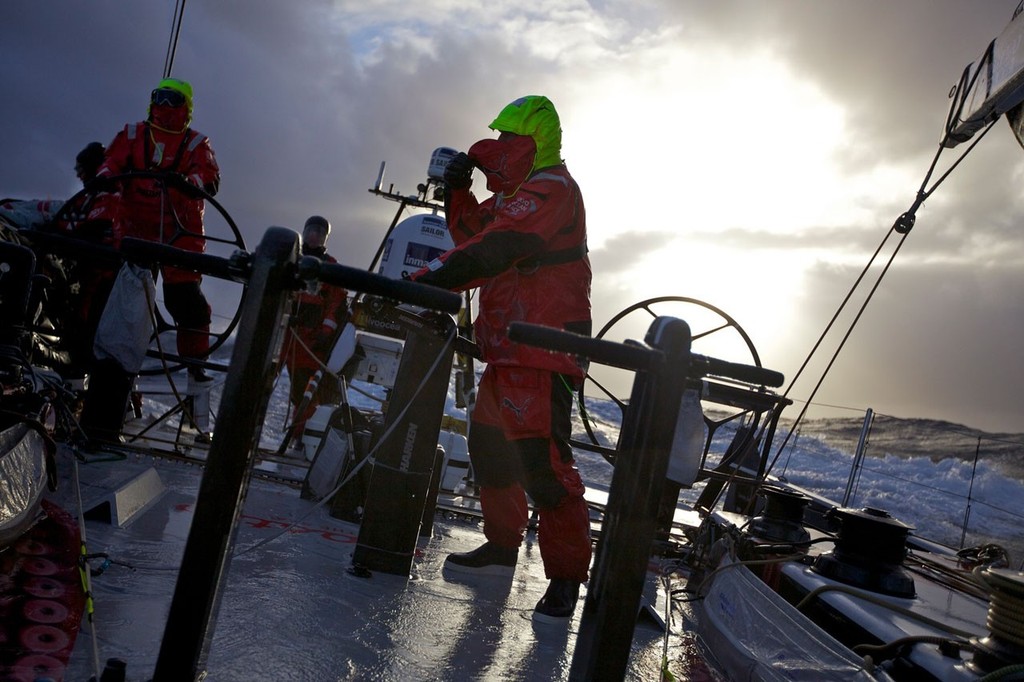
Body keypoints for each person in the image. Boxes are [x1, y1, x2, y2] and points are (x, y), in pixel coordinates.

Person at [410, 95, 592, 623]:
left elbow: (496, 249)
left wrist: (423, 281)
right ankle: (501, 548)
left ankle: (564, 579)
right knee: (489, 448)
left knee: (546, 469)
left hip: (543, 351)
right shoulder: (516, 194)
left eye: (511, 141)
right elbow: (474, 235)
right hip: (509, 349)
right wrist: (458, 190)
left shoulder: (552, 188)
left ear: (536, 143)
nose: (502, 150)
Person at [79, 78, 220, 444]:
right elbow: (111, 163)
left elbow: (207, 175)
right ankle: (106, 391)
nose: (164, 102)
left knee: (187, 306)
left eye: (172, 98)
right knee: (120, 310)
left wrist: (191, 181)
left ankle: (196, 395)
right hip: (136, 239)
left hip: (178, 240)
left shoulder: (195, 143)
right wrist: (105, 177)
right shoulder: (131, 134)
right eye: (159, 96)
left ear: (186, 105)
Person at [279, 216, 350, 442]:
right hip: (286, 334)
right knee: (264, 382)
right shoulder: (292, 261)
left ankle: (300, 436)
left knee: (305, 394)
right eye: (311, 231)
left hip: (311, 341)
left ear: (324, 237)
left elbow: (336, 304)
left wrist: (326, 333)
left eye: (319, 232)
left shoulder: (330, 267)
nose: (314, 235)